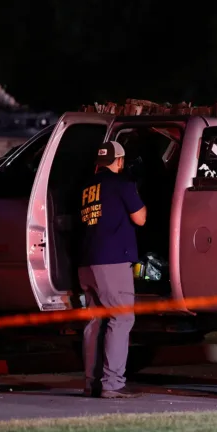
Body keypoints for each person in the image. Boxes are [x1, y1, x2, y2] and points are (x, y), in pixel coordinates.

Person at [77, 140, 146, 399]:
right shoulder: (122, 184)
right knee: (122, 317)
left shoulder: (87, 187)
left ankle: (91, 382)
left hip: (87, 262)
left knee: (95, 320)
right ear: (119, 161)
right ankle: (113, 384)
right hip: (112, 262)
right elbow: (141, 218)